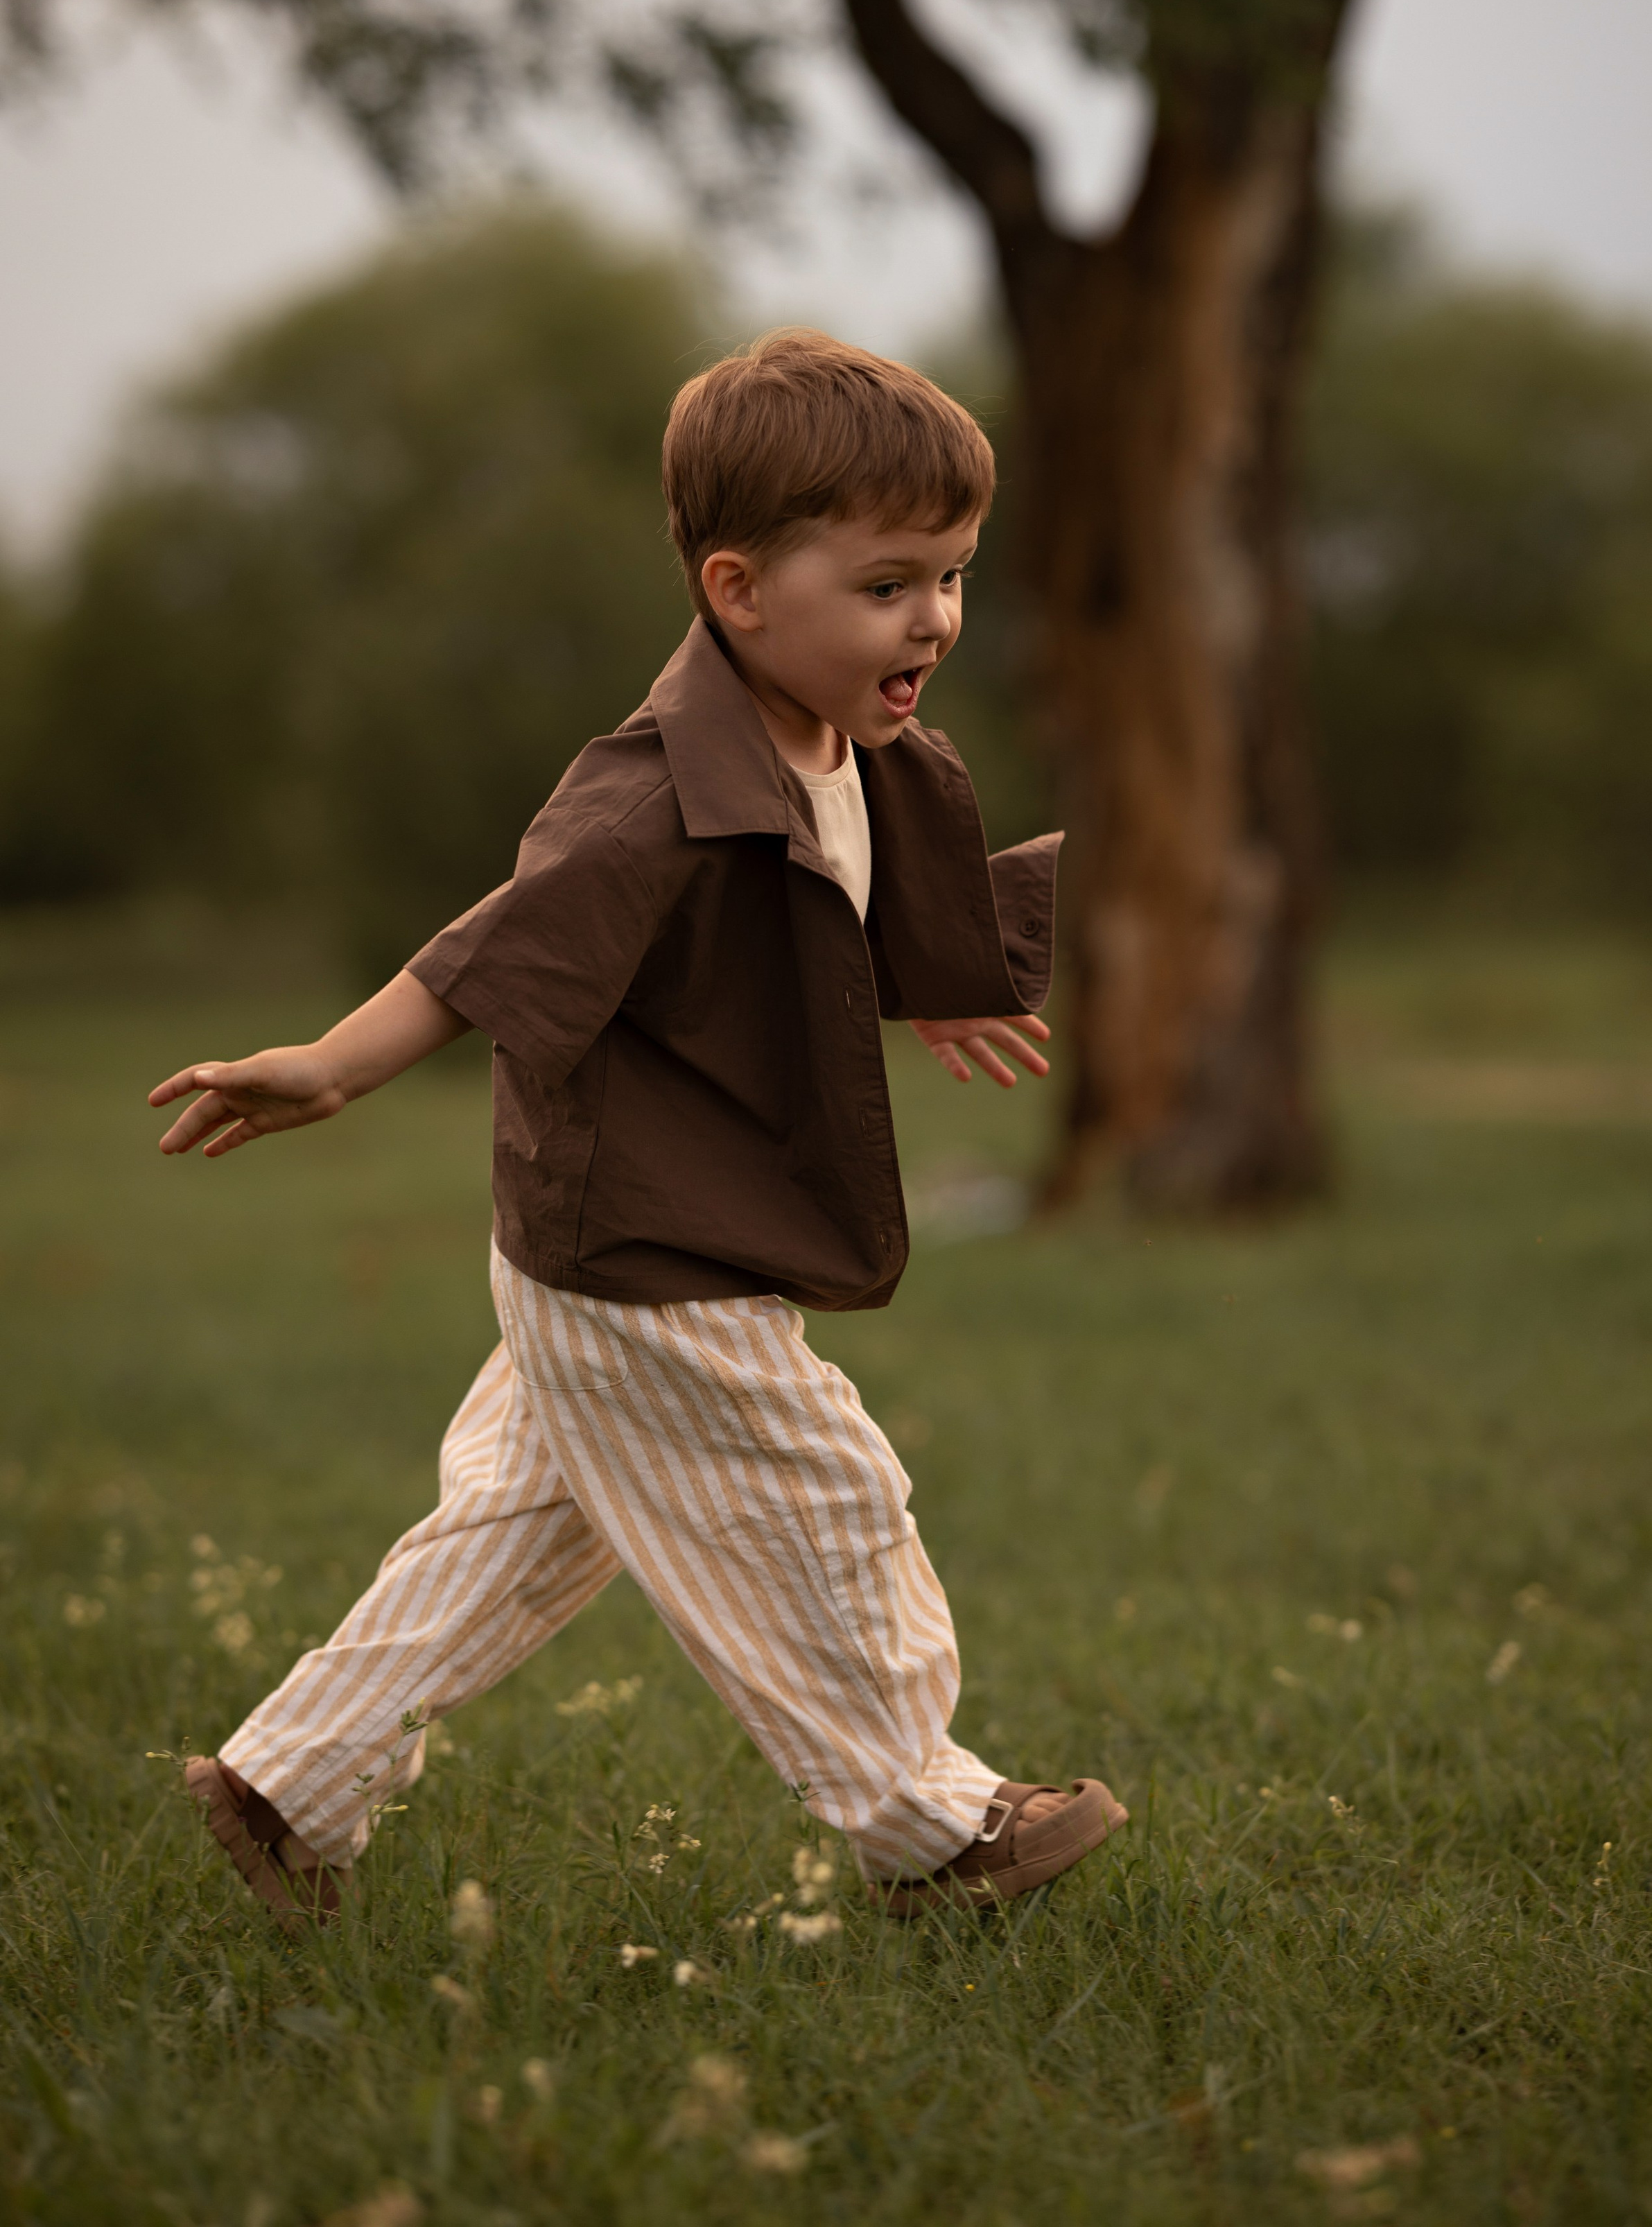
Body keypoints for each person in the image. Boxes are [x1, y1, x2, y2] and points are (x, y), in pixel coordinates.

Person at [155, 330, 1126, 1932]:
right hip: (643, 1247)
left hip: (609, 1241)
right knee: (822, 1496)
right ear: (741, 589)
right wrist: (332, 1063)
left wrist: (930, 980)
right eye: (888, 583)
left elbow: (835, 899)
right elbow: (500, 942)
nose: (933, 618)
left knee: (521, 1535)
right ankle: (936, 1828)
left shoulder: (840, 738)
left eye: (951, 576)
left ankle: (284, 1786)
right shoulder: (652, 794)